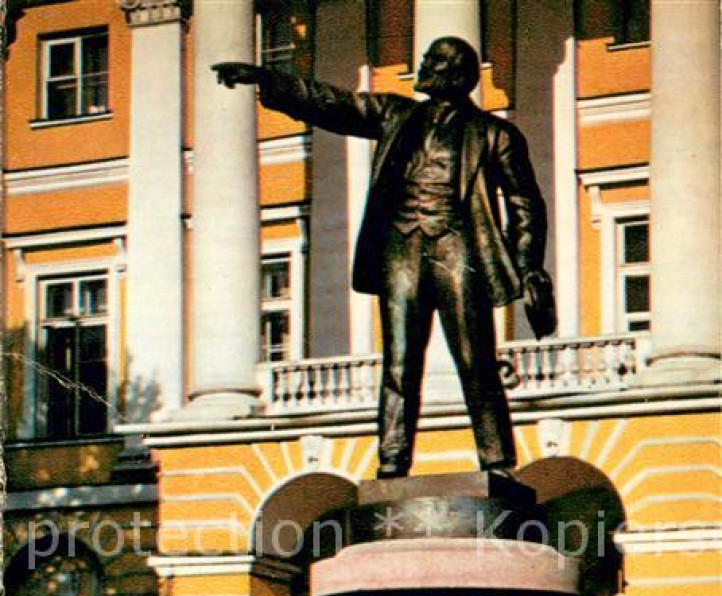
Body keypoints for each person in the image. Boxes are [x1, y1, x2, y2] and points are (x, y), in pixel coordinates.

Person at [215, 37, 556, 478]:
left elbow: (526, 204)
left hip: (458, 248)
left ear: (457, 72)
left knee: (476, 360)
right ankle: (392, 463)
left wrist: (527, 263)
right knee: (399, 362)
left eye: (434, 60)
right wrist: (269, 80)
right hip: (402, 249)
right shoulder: (397, 115)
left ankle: (497, 462)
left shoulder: (495, 134)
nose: (423, 66)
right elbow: (337, 105)